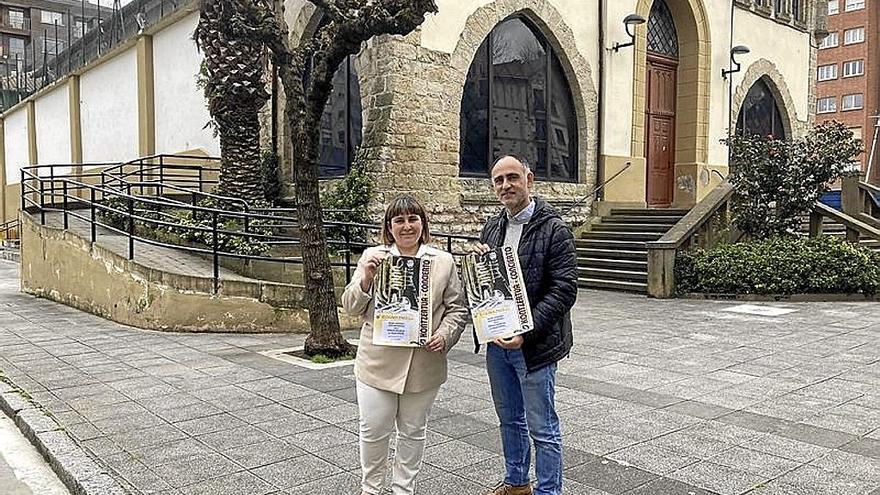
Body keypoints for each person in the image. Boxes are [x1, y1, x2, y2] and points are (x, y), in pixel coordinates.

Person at [342, 194, 468, 495]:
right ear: (389, 226)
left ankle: (403, 490)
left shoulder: (443, 261)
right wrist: (367, 279)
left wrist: (445, 335)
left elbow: (458, 309)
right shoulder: (373, 256)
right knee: (373, 430)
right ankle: (371, 489)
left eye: (413, 219)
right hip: (377, 363)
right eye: (399, 220)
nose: (407, 225)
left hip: (423, 365)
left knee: (413, 432)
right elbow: (349, 306)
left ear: (423, 224)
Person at [474, 155, 578, 495]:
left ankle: (549, 491)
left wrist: (526, 331)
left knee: (543, 428)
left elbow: (564, 290)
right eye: (499, 180)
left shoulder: (554, 228)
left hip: (535, 347)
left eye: (512, 177)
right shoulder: (492, 226)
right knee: (509, 421)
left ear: (529, 179)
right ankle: (517, 484)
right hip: (497, 345)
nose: (506, 185)